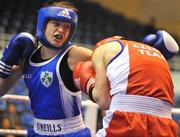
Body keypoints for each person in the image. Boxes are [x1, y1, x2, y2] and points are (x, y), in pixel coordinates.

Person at [0, 1, 92, 137]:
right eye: (56, 24)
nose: (61, 30)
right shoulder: (28, 57)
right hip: (38, 131)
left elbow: (104, 59)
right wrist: (7, 65)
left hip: (71, 133)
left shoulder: (74, 54)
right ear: (43, 24)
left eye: (67, 26)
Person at [73, 30, 179, 137]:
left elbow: (104, 101)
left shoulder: (101, 50)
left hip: (128, 121)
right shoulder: (156, 52)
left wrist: (90, 86)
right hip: (165, 123)